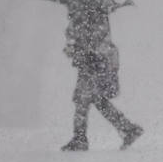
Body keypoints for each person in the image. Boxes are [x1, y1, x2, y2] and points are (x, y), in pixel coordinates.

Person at [60, 8, 143, 151]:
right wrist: (72, 46)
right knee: (95, 99)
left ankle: (80, 138)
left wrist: (78, 47)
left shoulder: (93, 16)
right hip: (95, 63)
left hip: (96, 63)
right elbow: (76, 40)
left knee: (83, 98)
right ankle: (128, 128)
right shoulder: (82, 17)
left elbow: (94, 41)